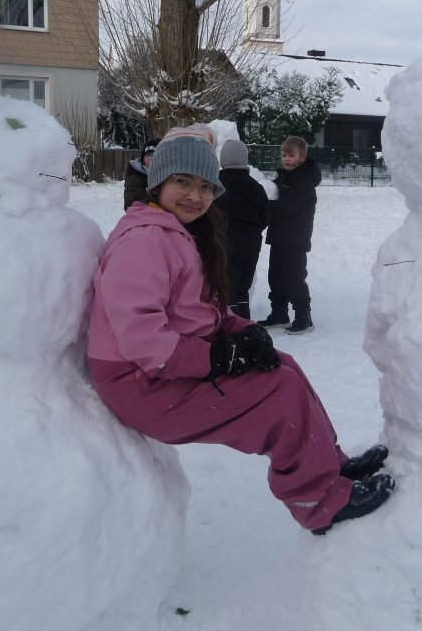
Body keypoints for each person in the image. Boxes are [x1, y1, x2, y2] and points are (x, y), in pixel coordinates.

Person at [86, 126, 394, 535]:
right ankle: (319, 501)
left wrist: (244, 331)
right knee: (278, 392)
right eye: (182, 182)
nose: (195, 195)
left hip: (162, 370)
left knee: (284, 365)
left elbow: (199, 309)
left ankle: (330, 465)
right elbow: (144, 342)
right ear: (157, 182)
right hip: (139, 384)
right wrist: (218, 357)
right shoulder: (143, 242)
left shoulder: (178, 234)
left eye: (205, 186)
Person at [257, 135, 321, 334]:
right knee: (275, 276)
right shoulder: (285, 176)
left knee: (294, 276)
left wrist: (263, 205)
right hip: (279, 235)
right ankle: (279, 313)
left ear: (302, 157)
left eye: (291, 155)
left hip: (295, 238)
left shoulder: (304, 180)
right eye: (284, 155)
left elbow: (287, 206)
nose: (286, 159)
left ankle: (304, 316)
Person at [216, 139, 270, 320]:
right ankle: (245, 321)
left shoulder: (216, 185)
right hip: (251, 244)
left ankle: (234, 325)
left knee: (228, 286)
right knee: (243, 287)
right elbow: (265, 217)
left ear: (223, 160)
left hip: (226, 243)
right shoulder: (256, 187)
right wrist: (252, 231)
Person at [123, 139, 158, 210]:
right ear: (143, 159)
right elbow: (131, 205)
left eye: (155, 155)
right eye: (148, 155)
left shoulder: (165, 175)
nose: (152, 158)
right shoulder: (135, 177)